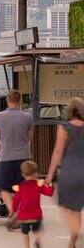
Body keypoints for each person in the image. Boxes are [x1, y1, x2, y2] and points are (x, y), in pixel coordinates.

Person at [0, 90, 34, 226]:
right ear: (20, 100)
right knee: (22, 187)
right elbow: (30, 138)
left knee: (2, 187)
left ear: (8, 100)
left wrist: (0, 148)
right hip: (24, 159)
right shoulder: (28, 117)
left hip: (5, 158)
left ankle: (12, 209)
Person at [45, 98, 84, 248]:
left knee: (64, 205)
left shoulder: (64, 127)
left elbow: (58, 151)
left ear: (70, 111)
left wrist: (49, 175)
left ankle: (74, 230)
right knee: (77, 208)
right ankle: (73, 240)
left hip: (69, 172)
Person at [12, 161, 54, 248]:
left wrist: (14, 210)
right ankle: (38, 240)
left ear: (23, 175)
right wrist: (50, 185)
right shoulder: (38, 185)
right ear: (36, 174)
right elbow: (49, 193)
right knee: (37, 230)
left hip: (23, 216)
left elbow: (16, 201)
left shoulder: (20, 187)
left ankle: (27, 246)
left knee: (24, 233)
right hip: (36, 215)